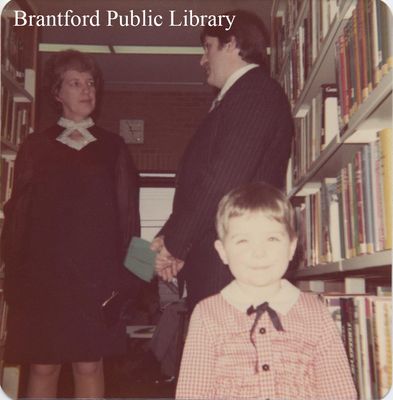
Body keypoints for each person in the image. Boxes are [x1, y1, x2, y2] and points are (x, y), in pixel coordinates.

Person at [1, 50, 140, 398]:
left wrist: (134, 284)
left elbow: (131, 221)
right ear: (57, 93)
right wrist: (12, 276)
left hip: (97, 280)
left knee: (90, 365)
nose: (86, 90)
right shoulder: (35, 145)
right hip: (44, 279)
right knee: (43, 366)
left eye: (90, 83)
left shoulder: (114, 147)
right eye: (74, 83)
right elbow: (18, 215)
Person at [151, 10, 294, 311]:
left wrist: (174, 244)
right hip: (220, 259)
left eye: (207, 47)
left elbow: (222, 179)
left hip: (230, 265)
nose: (202, 60)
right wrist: (169, 238)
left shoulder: (254, 92)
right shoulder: (238, 98)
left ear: (231, 44)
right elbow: (204, 185)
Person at [175, 182, 357, 400]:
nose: (259, 253)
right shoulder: (207, 314)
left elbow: (339, 391)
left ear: (291, 248)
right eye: (243, 241)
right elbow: (192, 392)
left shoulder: (315, 312)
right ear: (223, 252)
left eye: (272, 238)